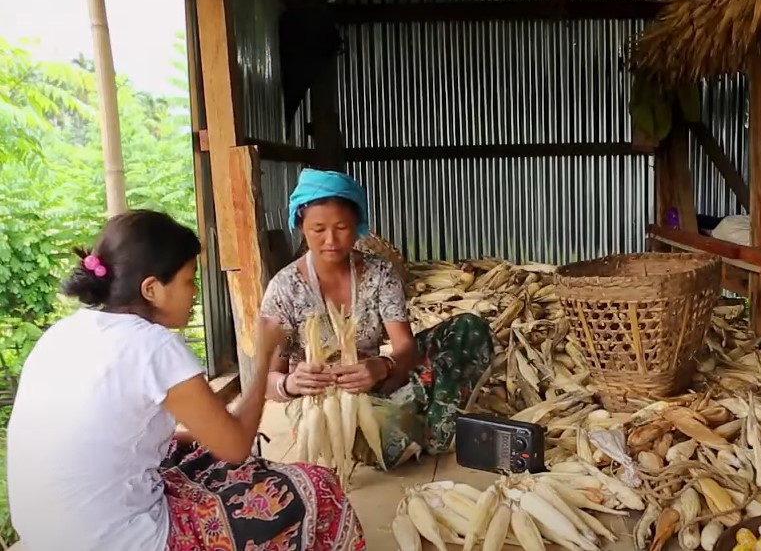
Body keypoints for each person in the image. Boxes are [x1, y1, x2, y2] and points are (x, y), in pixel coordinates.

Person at [7, 210, 365, 551]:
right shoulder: (154, 346)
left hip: (46, 536)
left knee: (192, 448)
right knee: (316, 487)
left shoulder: (63, 332)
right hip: (120, 541)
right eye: (188, 280)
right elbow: (236, 447)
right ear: (151, 289)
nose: (194, 292)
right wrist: (263, 359)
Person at [260, 168, 495, 470]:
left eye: (342, 227)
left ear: (358, 226)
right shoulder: (284, 288)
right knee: (390, 437)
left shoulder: (380, 273)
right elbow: (267, 381)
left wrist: (383, 365)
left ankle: (423, 419)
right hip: (323, 404)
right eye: (318, 229)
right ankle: (427, 420)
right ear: (301, 225)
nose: (331, 240)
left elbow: (405, 348)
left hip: (380, 381)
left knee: (468, 328)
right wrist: (292, 383)